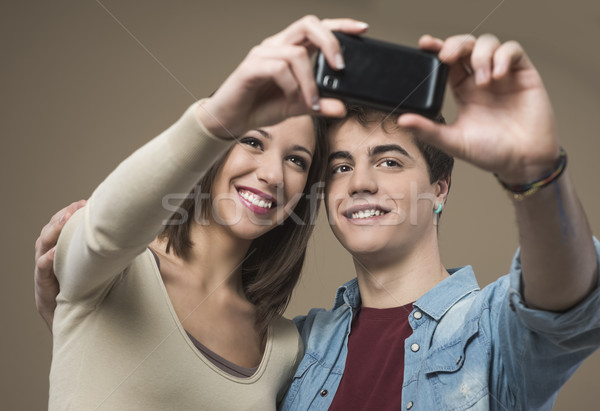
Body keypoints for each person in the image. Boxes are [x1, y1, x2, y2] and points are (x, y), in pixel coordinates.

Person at [36, 31, 600, 411]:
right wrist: (81, 309)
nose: (360, 182)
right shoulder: (300, 349)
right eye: (339, 165)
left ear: (440, 189)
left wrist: (536, 175)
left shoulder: (489, 330)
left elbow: (565, 307)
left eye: (388, 160)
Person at [34, 15, 370, 410]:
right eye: (251, 140)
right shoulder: (112, 269)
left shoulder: (282, 346)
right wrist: (219, 115)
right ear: (215, 145)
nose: (272, 174)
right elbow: (105, 228)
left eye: (296, 160)